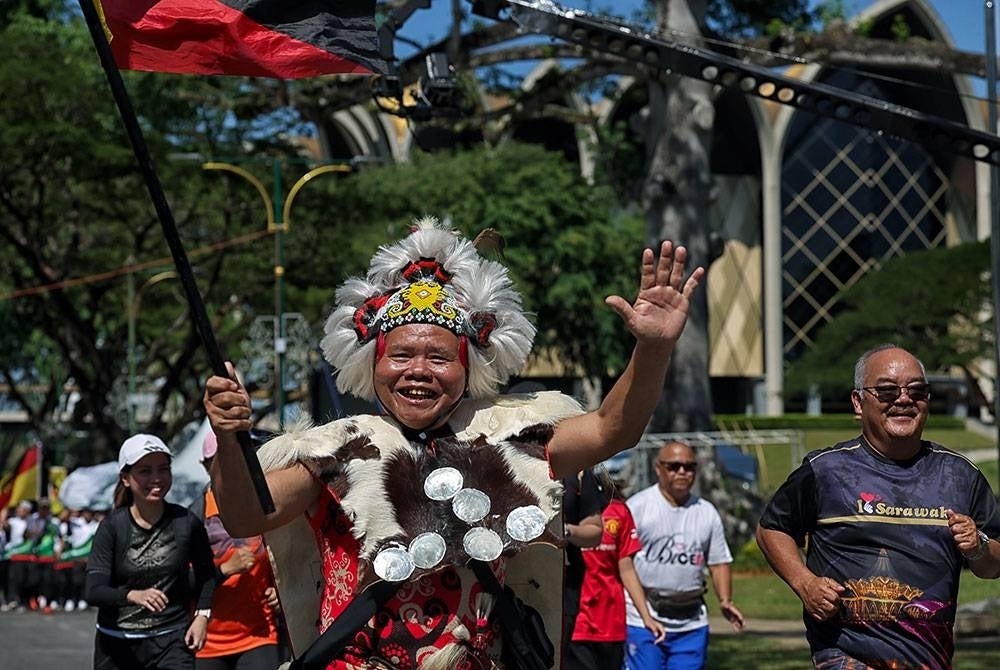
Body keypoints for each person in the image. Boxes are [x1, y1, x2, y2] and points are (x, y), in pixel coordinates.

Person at [204, 218, 704, 669]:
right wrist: (230, 440)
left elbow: (611, 429)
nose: (418, 371)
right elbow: (247, 516)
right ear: (372, 363)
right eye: (400, 355)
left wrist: (653, 348)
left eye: (439, 357)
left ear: (469, 367)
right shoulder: (338, 449)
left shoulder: (511, 436)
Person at [757, 344, 1000, 669]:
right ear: (859, 403)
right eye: (886, 391)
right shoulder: (825, 470)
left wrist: (978, 546)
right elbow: (771, 529)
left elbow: (994, 565)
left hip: (929, 659)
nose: (903, 399)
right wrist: (805, 583)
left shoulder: (959, 475)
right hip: (845, 658)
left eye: (917, 391)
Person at [85, 433, 217, 669]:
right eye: (145, 471)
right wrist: (133, 595)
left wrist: (202, 616)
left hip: (172, 641)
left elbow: (207, 574)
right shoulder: (112, 527)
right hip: (117, 645)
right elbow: (94, 590)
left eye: (163, 469)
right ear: (125, 478)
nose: (157, 478)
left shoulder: (186, 522)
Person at [624, 441, 744, 669]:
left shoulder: (706, 512)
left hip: (691, 621)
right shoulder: (638, 507)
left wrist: (725, 601)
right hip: (643, 617)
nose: (682, 472)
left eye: (689, 467)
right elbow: (624, 563)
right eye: (674, 466)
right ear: (658, 468)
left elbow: (718, 562)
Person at [196, 432, 284, 670]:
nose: (230, 465)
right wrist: (224, 569)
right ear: (205, 466)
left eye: (237, 457)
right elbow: (181, 583)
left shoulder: (268, 507)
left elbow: (288, 559)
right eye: (220, 459)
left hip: (259, 635)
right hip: (207, 640)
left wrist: (281, 591)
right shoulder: (196, 517)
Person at [568, 466, 664, 670]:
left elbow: (626, 569)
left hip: (611, 621)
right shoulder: (567, 515)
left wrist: (647, 617)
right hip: (576, 620)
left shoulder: (618, 513)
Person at [2, 500, 33, 611]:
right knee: (13, 579)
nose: (20, 511)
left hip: (28, 556)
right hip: (15, 555)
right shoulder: (13, 521)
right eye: (19, 509)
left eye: (23, 509)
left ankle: (24, 601)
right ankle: (12, 600)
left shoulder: (32, 520)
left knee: (26, 580)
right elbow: (4, 524)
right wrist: (5, 509)